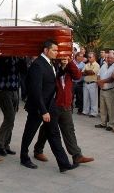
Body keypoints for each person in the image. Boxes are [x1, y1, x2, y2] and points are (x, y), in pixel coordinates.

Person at [20, 40, 78, 172]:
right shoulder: (38, 65)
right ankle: (24, 157)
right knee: (30, 132)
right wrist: (43, 111)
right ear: (46, 50)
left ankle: (64, 164)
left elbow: (53, 79)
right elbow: (35, 91)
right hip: (38, 107)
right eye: (54, 50)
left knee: (53, 133)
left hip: (50, 105)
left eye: (57, 50)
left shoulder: (50, 63)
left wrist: (63, 68)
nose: (57, 53)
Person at [32, 55, 94, 165]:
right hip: (53, 104)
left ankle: (77, 155)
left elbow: (78, 76)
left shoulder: (70, 68)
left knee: (69, 130)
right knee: (47, 129)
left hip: (66, 105)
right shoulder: (52, 67)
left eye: (67, 57)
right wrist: (61, 66)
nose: (64, 58)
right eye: (62, 57)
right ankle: (38, 150)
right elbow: (51, 80)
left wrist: (69, 63)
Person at [0, 56, 26, 156]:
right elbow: (3, 71)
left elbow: (24, 70)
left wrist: (21, 58)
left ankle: (6, 144)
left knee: (11, 120)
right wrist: (9, 57)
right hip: (3, 90)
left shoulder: (17, 58)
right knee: (9, 118)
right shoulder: (2, 58)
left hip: (14, 90)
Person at [95, 52, 114, 130]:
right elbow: (98, 75)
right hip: (102, 89)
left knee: (111, 108)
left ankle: (111, 124)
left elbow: (113, 78)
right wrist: (99, 82)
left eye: (111, 58)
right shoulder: (104, 65)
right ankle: (103, 123)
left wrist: (102, 82)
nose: (109, 59)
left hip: (111, 90)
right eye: (108, 57)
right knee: (102, 108)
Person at [81, 52, 100, 118]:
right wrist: (88, 72)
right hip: (86, 83)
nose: (89, 58)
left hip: (93, 83)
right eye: (88, 57)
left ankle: (94, 113)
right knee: (85, 98)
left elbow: (92, 72)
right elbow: (82, 73)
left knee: (93, 99)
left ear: (94, 57)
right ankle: (85, 111)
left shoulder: (97, 65)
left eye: (90, 57)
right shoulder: (87, 64)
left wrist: (87, 71)